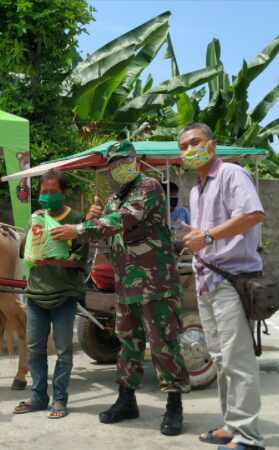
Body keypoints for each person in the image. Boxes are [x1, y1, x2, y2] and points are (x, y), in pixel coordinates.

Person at [50, 140, 190, 436]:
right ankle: (127, 400)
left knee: (164, 344)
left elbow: (123, 219)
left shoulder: (149, 187)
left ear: (134, 161)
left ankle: (174, 406)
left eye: (123, 161)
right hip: (126, 285)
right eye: (113, 164)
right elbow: (107, 229)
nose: (118, 167)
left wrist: (79, 229)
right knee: (128, 344)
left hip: (156, 284)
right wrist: (87, 225)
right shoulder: (114, 197)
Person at [179, 123, 266, 450]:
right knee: (220, 358)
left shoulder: (231, 174)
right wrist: (196, 237)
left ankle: (249, 436)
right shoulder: (195, 189)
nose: (189, 150)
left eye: (195, 142)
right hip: (207, 279)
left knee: (237, 359)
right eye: (184, 146)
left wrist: (209, 235)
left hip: (233, 279)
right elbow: (206, 235)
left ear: (212, 145)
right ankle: (232, 425)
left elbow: (254, 214)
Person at [13, 170, 87, 419]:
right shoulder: (38, 218)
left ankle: (60, 400)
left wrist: (57, 259)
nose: (47, 196)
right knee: (35, 350)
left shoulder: (76, 219)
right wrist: (30, 235)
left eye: (52, 192)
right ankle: (38, 397)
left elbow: (80, 260)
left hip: (64, 295)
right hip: (36, 294)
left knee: (64, 350)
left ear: (63, 193)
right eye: (44, 192)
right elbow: (24, 251)